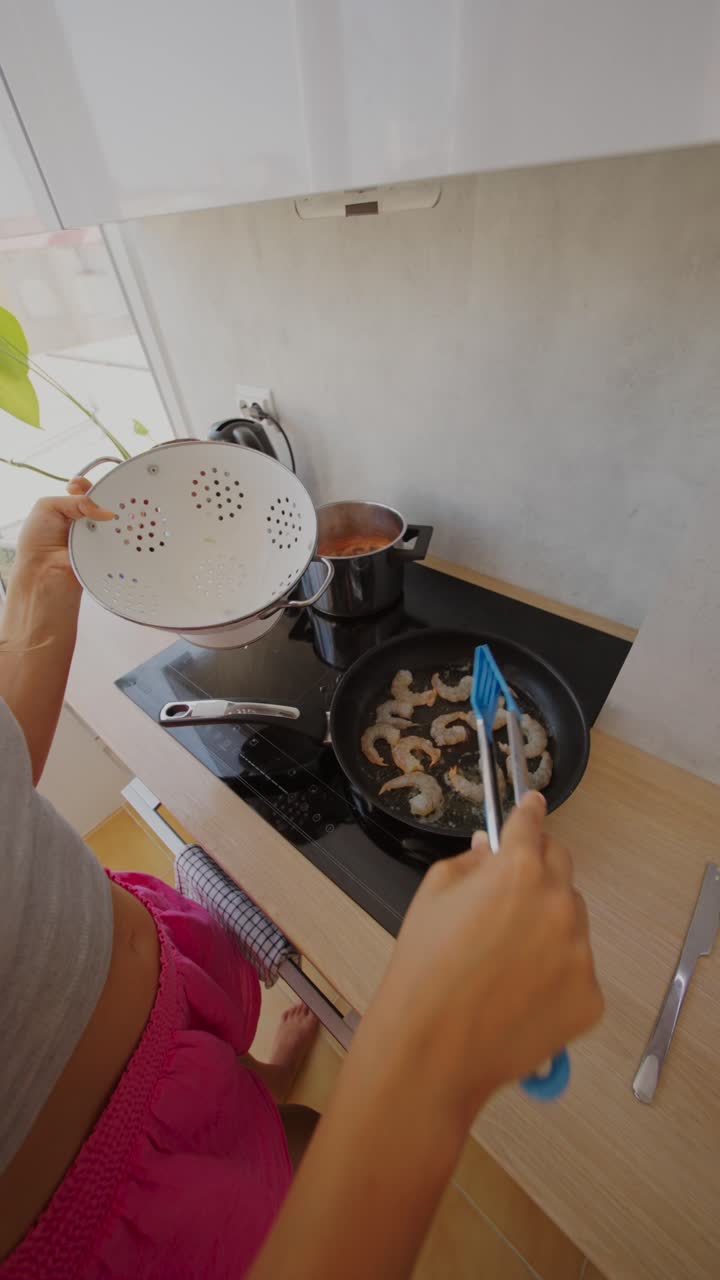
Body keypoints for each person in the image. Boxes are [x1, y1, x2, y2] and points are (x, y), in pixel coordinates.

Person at [0, 485, 603, 1280]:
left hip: (169, 1016)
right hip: (128, 1221)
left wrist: (39, 598)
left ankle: (266, 1081)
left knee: (253, 1097)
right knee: (297, 1169)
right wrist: (427, 1059)